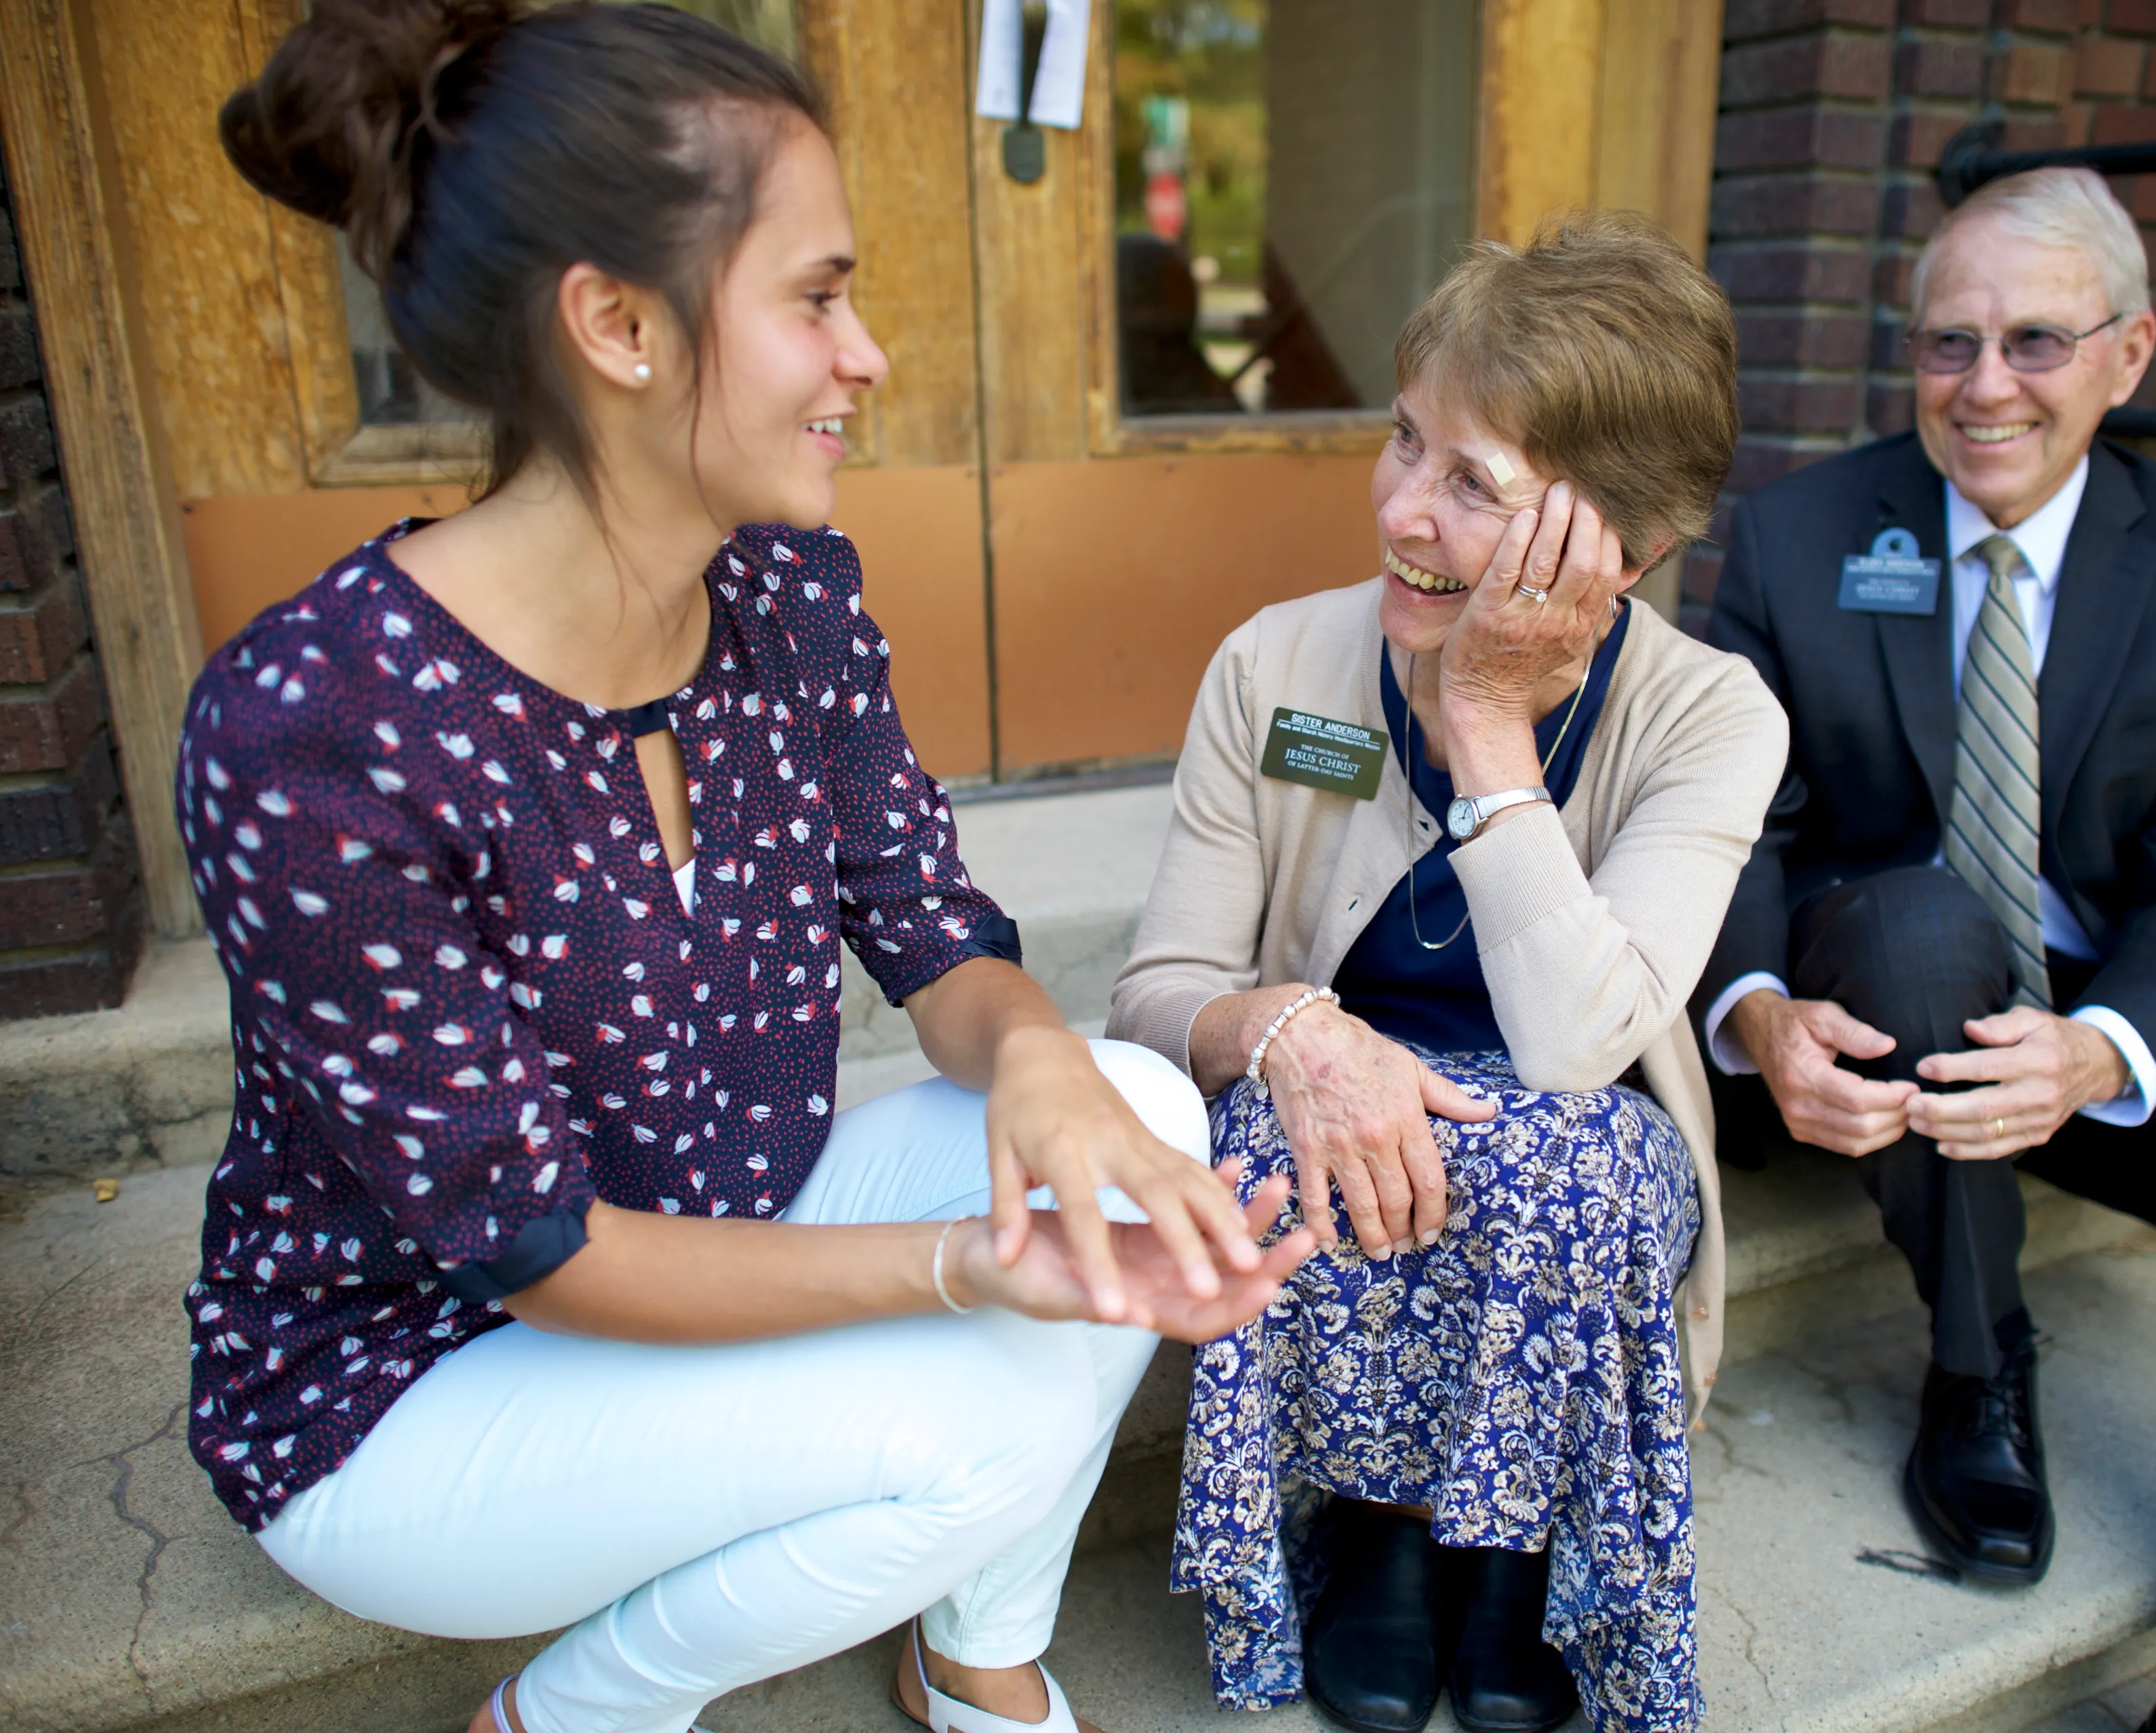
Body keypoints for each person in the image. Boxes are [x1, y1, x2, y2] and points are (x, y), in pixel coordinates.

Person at [187, 7, 1314, 1733]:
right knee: (988, 1415)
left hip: (729, 1212)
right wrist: (960, 1266)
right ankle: (570, 1715)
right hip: (423, 1383)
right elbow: (539, 1247)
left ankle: (974, 1639)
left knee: (1137, 1120)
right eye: (816, 296)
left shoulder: (783, 594)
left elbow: (934, 930)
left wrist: (1036, 1068)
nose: (865, 354)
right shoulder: (317, 725)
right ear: (618, 324)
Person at [1692, 167, 2156, 1733]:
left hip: (2089, 1023)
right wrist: (1756, 1011)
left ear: (2131, 351)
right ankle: (1979, 1363)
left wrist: (2108, 1050)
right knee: (1918, 922)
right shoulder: (1794, 533)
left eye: (2035, 341)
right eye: (1945, 345)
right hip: (1881, 1009)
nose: (1984, 388)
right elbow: (1733, 829)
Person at [1111, 214, 1786, 1733]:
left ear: (1625, 546)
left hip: (1577, 1122)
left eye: (1475, 487)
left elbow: (1574, 1049)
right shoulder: (1278, 671)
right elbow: (1159, 991)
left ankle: (1517, 1542)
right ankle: (1383, 1528)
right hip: (1341, 1102)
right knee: (1286, 1125)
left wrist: (1487, 724)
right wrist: (1289, 1027)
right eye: (1407, 443)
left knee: (1566, 1162)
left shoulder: (1713, 719)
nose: (1406, 513)